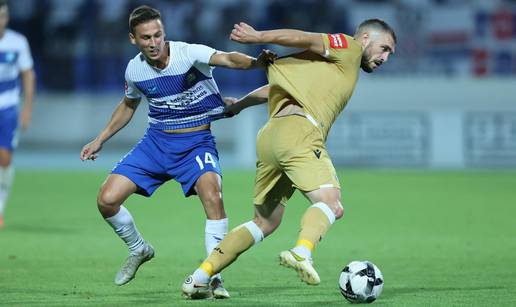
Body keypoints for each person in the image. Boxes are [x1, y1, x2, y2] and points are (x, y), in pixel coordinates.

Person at [182, 19, 396, 299]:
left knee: (264, 223)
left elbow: (274, 89)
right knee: (331, 203)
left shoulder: (320, 67)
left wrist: (240, 105)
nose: (385, 57)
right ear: (366, 38)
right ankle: (302, 252)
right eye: (384, 48)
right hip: (300, 132)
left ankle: (199, 277)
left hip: (271, 136)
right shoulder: (350, 47)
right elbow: (305, 37)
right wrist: (258, 36)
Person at [79, 5, 274, 298]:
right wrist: (101, 138)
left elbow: (226, 58)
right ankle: (139, 249)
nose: (154, 42)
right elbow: (129, 104)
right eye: (146, 38)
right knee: (106, 200)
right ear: (133, 39)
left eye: (158, 35)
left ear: (164, 33)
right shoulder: (135, 69)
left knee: (213, 196)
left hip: (196, 143)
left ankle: (213, 275)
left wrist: (256, 63)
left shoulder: (187, 53)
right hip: (155, 144)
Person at [0, 0, 35, 228]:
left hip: (8, 107)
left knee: (4, 159)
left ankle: (0, 208)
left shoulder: (17, 42)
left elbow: (28, 75)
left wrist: (27, 109)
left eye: (3, 15)